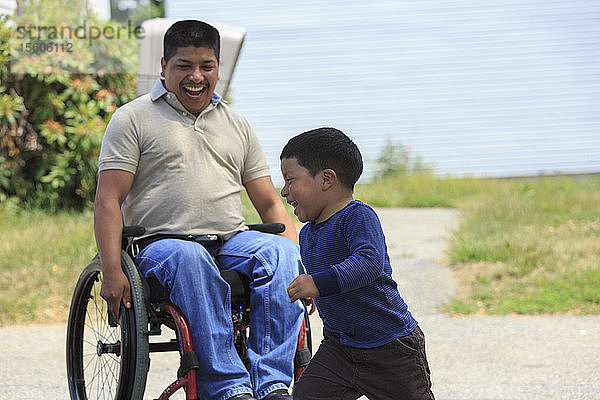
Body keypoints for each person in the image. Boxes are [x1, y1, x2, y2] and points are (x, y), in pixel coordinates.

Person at [94, 20, 303, 400]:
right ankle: (229, 388)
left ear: (218, 69)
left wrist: (302, 269)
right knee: (191, 258)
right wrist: (111, 270)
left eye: (206, 66)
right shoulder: (132, 118)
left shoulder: (236, 124)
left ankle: (272, 384)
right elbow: (108, 199)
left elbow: (270, 203)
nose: (196, 77)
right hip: (163, 246)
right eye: (184, 66)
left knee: (282, 252)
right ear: (163, 66)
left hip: (230, 241)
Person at [280, 127, 435, 400]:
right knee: (306, 395)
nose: (283, 191)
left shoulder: (357, 216)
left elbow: (368, 263)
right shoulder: (307, 233)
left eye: (290, 180)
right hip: (340, 347)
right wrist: (316, 291)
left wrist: (318, 283)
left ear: (326, 178)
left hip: (389, 347)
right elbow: (327, 275)